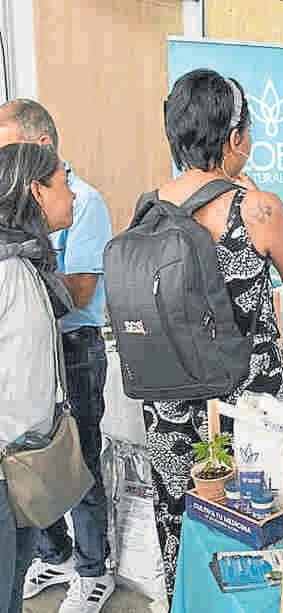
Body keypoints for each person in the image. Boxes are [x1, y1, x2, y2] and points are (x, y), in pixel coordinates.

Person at [143, 68, 283, 601]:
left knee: (182, 523)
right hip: (247, 404)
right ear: (235, 138)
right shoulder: (258, 209)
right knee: (257, 526)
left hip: (169, 405)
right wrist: (255, 193)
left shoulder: (148, 207)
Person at [0, 100, 114, 612]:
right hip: (11, 447)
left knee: (75, 463)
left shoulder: (31, 257)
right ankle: (53, 555)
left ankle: (90, 569)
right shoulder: (12, 268)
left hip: (70, 358)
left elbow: (82, 290)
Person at [0, 143, 74, 613]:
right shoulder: (5, 270)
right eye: (65, 182)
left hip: (21, 467)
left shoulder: (24, 263)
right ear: (37, 191)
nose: (73, 194)